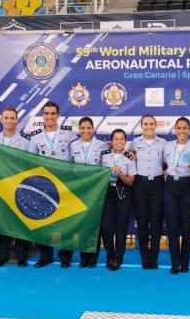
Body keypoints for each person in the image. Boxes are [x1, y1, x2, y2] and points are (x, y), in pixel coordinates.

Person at [27, 101, 76, 268]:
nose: (49, 117)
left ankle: (65, 256)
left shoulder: (69, 135)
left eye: (52, 113)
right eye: (46, 113)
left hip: (64, 184)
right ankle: (45, 255)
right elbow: (31, 162)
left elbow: (75, 158)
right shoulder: (35, 137)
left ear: (58, 115)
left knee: (65, 221)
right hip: (44, 185)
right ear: (43, 116)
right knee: (44, 220)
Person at [0, 107, 31, 268]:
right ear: (1, 120)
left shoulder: (25, 143)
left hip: (20, 187)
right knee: (2, 222)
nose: (9, 120)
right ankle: (2, 256)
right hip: (1, 187)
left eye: (12, 118)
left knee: (20, 222)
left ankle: (21, 256)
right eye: (6, 117)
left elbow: (29, 167)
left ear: (17, 120)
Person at [163, 117, 190, 274]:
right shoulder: (168, 146)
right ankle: (175, 263)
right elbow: (162, 164)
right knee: (172, 227)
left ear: (189, 130)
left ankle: (185, 262)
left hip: (187, 185)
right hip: (170, 186)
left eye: (184, 128)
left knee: (187, 227)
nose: (181, 131)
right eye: (179, 128)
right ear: (175, 130)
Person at [69, 117, 109, 268]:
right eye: (83, 128)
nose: (86, 131)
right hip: (79, 191)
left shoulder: (102, 145)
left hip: (96, 191)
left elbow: (105, 166)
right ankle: (82, 256)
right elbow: (69, 168)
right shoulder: (72, 146)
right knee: (80, 225)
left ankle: (92, 258)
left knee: (94, 225)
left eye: (88, 128)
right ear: (79, 130)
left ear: (93, 129)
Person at [128, 114, 166, 269]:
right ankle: (145, 258)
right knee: (142, 222)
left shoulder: (163, 143)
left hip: (157, 184)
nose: (149, 126)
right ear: (141, 126)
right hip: (140, 184)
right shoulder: (135, 142)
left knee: (156, 222)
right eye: (145, 124)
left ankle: (154, 258)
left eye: (151, 124)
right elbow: (128, 157)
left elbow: (167, 162)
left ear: (155, 125)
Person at [100, 129, 137, 271]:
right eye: (116, 139)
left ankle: (118, 258)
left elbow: (131, 182)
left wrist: (120, 173)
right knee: (106, 227)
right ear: (112, 141)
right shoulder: (104, 156)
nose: (119, 141)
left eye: (122, 139)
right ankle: (110, 255)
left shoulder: (130, 157)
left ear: (125, 141)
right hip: (106, 193)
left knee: (121, 228)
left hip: (123, 194)